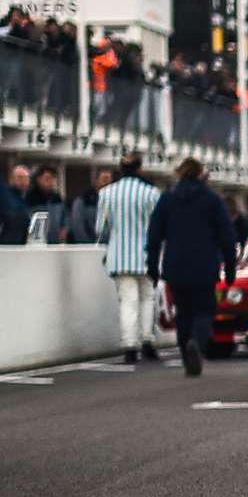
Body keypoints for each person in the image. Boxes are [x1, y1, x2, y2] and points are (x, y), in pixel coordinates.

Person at [145, 157, 238, 377]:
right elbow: (227, 235)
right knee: (205, 311)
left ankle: (187, 355)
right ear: (200, 175)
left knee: (183, 312)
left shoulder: (167, 199)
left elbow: (154, 235)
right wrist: (231, 266)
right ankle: (197, 342)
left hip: (176, 265)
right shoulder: (211, 200)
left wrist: (152, 265)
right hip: (205, 265)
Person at [96, 153, 166, 363]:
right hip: (147, 255)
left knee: (127, 301)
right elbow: (158, 227)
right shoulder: (152, 193)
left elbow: (101, 228)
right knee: (148, 298)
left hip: (119, 256)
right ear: (140, 169)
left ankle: (129, 345)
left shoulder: (107, 194)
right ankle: (147, 341)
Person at [60, 168, 104, 245]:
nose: (107, 183)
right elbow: (78, 228)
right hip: (89, 247)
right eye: (104, 179)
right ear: (96, 181)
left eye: (109, 179)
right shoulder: (83, 201)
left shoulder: (112, 201)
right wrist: (88, 247)